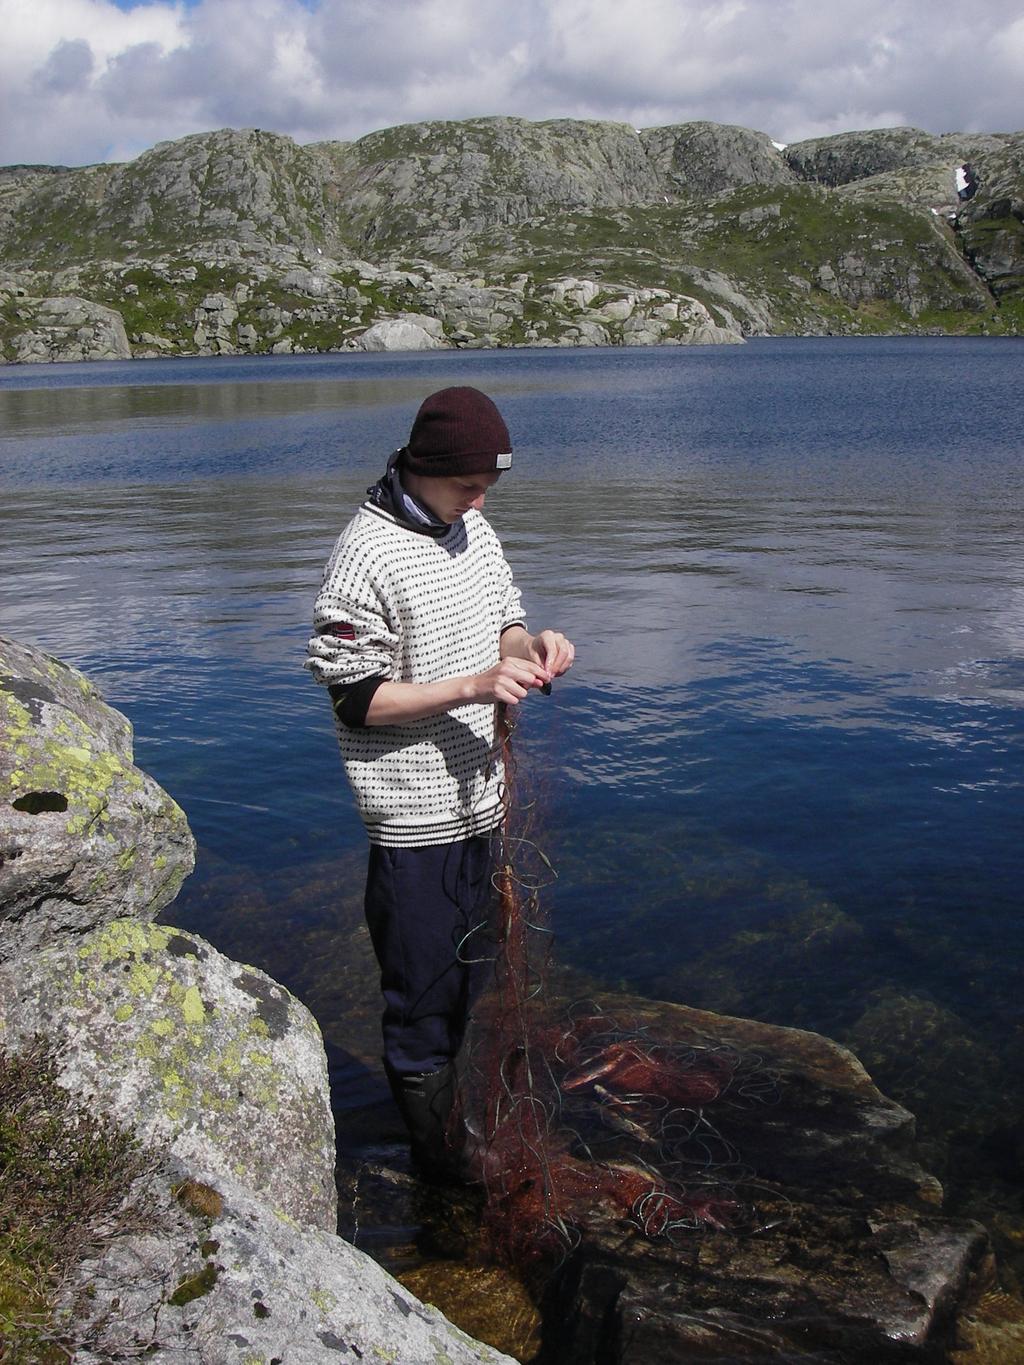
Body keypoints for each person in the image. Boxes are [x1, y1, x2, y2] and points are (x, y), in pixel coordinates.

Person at [307, 385, 574, 1177]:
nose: (482, 496)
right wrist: (472, 684)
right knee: (421, 1002)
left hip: (482, 803)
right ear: (424, 467)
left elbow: (506, 618)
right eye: (469, 483)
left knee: (477, 977)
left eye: (490, 482)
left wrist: (531, 646)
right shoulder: (365, 555)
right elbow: (355, 698)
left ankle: (462, 1138)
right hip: (414, 822)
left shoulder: (474, 528)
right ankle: (441, 1175)